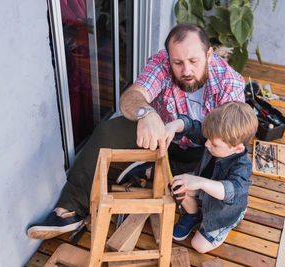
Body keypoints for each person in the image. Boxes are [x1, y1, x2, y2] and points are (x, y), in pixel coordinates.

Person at [27, 23, 245, 239]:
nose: (186, 71)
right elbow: (131, 97)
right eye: (177, 62)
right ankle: (70, 207)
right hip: (161, 138)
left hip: (206, 151)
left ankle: (161, 179)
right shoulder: (161, 62)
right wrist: (146, 113)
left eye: (193, 61)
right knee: (108, 131)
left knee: (216, 170)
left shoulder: (229, 83)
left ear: (208, 54)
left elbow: (230, 144)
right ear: (169, 57)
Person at [168, 101, 258, 253]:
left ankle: (232, 221)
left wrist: (200, 182)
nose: (207, 144)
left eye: (214, 144)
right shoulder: (216, 138)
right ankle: (193, 214)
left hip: (224, 210)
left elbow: (232, 191)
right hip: (205, 191)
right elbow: (192, 127)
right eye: (207, 138)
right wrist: (173, 126)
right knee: (177, 185)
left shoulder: (243, 166)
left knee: (199, 246)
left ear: (237, 148)